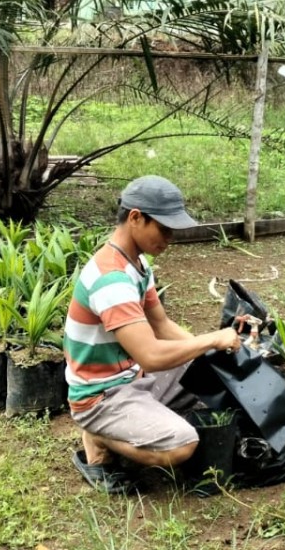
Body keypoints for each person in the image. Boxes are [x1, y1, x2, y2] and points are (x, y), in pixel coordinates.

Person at [64, 175, 243, 494]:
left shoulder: (136, 263)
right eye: (164, 228)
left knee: (207, 370)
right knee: (182, 444)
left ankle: (136, 417)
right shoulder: (112, 280)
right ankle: (99, 436)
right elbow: (150, 355)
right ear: (135, 218)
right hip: (102, 396)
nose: (170, 238)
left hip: (131, 378)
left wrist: (210, 351)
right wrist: (212, 339)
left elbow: (162, 326)